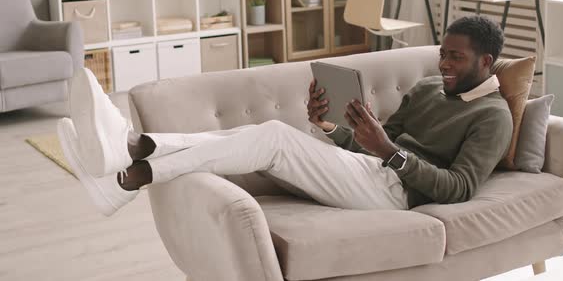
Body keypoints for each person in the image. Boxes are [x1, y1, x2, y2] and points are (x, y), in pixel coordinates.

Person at [57, 15, 513, 217]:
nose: (444, 65)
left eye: (455, 58)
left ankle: (134, 152)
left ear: (486, 62)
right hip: (372, 171)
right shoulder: (431, 88)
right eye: (442, 54)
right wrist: (334, 127)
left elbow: (460, 189)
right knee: (264, 137)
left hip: (399, 195)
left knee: (273, 136)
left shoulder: (494, 117)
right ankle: (125, 175)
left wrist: (389, 152)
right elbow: (374, 144)